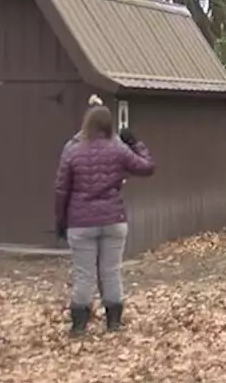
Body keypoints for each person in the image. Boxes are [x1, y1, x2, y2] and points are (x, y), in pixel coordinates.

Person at [54, 105, 154, 336]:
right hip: (113, 219)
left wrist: (61, 219)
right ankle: (114, 322)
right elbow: (147, 167)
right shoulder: (118, 149)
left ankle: (79, 325)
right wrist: (136, 143)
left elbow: (61, 189)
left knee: (84, 274)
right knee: (111, 271)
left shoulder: (72, 150)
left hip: (80, 222)